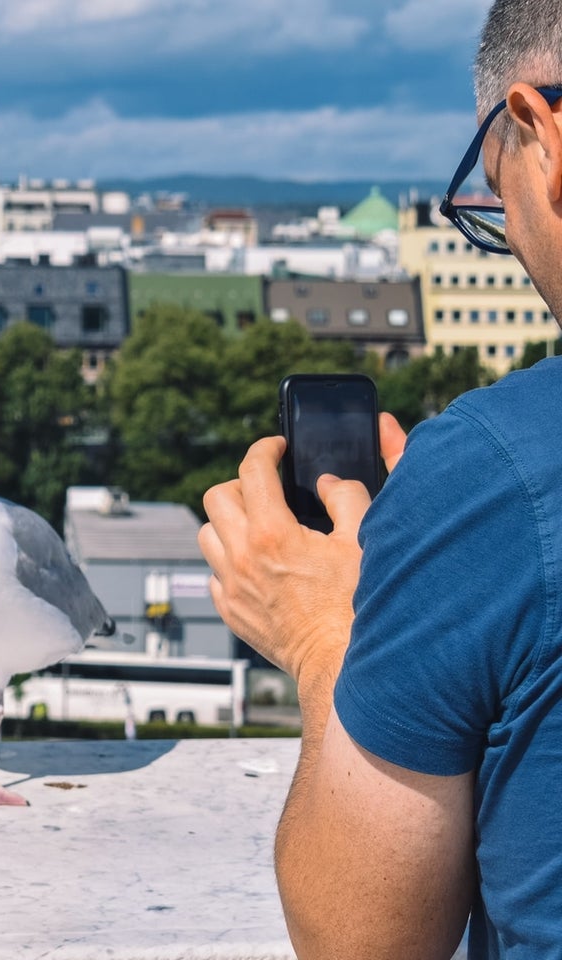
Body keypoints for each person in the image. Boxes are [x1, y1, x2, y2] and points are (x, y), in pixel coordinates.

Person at [200, 3, 562, 956]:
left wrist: (328, 637)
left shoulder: (490, 475)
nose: (513, 239)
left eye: (494, 193)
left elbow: (364, 940)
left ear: (540, 130)